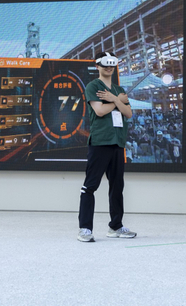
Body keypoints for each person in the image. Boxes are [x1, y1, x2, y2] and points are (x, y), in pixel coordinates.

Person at [78, 52, 136, 243]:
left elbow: (128, 113)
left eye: (112, 64)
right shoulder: (93, 86)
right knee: (90, 186)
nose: (109, 68)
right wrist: (117, 100)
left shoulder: (118, 89)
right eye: (105, 64)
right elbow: (100, 110)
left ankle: (116, 226)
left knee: (117, 186)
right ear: (98, 66)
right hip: (100, 142)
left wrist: (115, 99)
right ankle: (85, 228)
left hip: (118, 143)